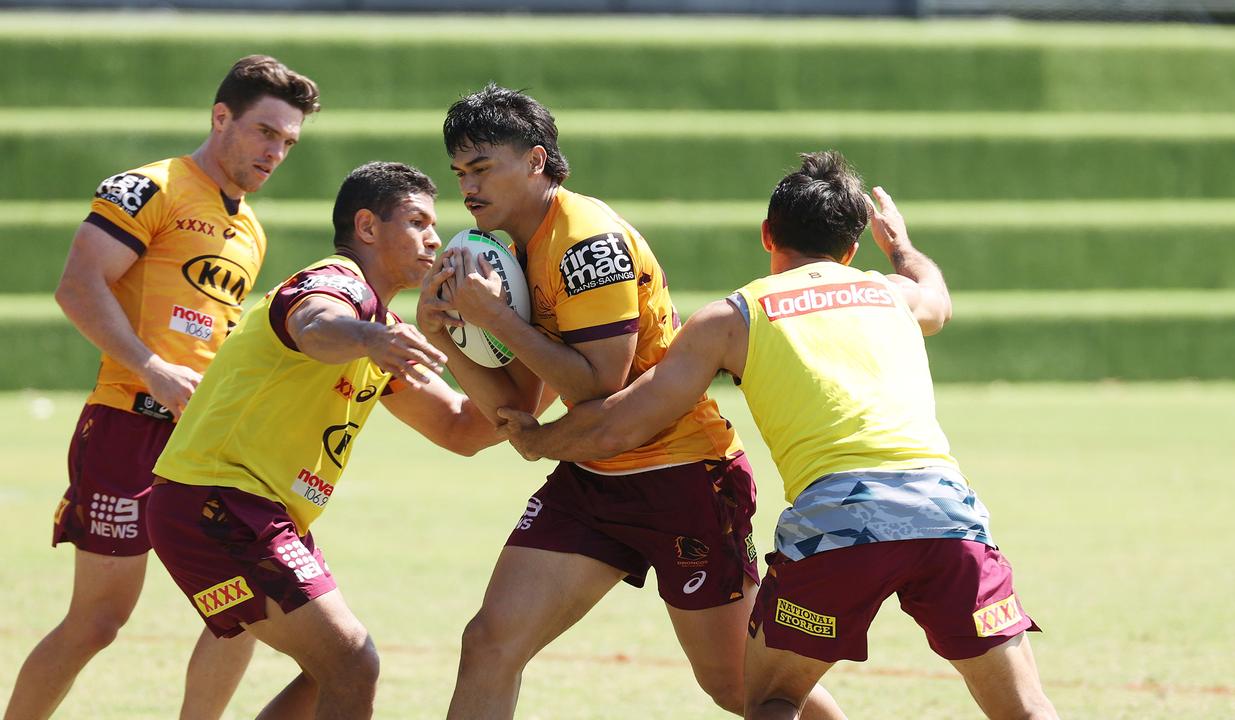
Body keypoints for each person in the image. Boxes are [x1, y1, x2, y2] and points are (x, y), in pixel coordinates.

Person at [499, 152, 1059, 719]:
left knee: (771, 699)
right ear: (851, 250)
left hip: (840, 524)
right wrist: (903, 248)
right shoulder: (891, 292)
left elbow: (627, 421)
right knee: (1026, 710)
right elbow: (937, 299)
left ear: (768, 234)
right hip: (948, 515)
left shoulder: (732, 318)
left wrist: (538, 438)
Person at [419, 84, 843, 719]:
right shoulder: (509, 246)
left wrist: (495, 320)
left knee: (741, 687)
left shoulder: (588, 242)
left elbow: (599, 387)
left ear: (536, 160)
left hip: (685, 479)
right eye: (459, 173)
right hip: (596, 476)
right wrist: (444, 338)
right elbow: (517, 402)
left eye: (482, 168)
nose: (467, 187)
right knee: (489, 643)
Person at [6, 55, 320, 720]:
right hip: (127, 424)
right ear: (221, 117)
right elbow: (77, 285)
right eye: (266, 132)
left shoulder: (252, 231)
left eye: (288, 142)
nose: (276, 152)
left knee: (243, 610)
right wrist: (150, 366)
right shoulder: (150, 187)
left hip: (205, 444)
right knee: (97, 622)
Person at [145, 161, 498, 720]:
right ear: (366, 227)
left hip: (242, 511)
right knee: (352, 663)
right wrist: (368, 337)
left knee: (331, 669)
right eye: (416, 221)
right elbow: (315, 326)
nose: (434, 237)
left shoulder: (381, 325)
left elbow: (460, 427)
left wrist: (543, 358)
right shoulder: (337, 285)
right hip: (219, 502)